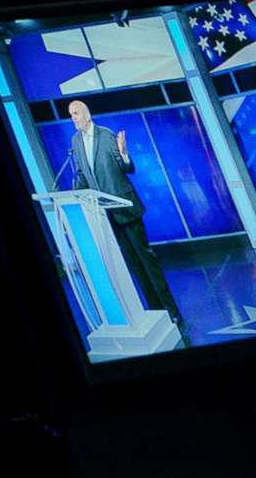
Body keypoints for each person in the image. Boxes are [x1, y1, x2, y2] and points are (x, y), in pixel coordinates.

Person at [59, 98, 184, 330]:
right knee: (134, 266)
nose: (73, 118)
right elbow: (81, 174)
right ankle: (157, 313)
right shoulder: (75, 142)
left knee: (147, 262)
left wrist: (125, 154)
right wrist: (75, 197)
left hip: (125, 207)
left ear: (86, 114)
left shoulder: (106, 135)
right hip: (104, 214)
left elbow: (127, 168)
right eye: (70, 114)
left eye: (76, 113)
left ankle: (173, 312)